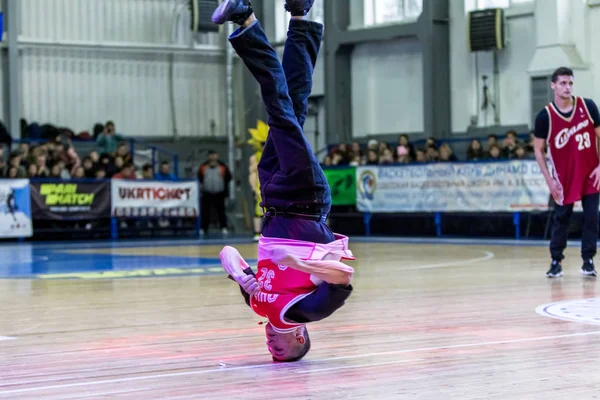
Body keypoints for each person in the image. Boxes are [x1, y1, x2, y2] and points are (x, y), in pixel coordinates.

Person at [212, 0, 356, 362]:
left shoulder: (260, 306)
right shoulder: (306, 312)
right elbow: (342, 276)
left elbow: (228, 254)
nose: (273, 349)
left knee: (292, 105)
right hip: (306, 200)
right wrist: (303, 266)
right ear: (300, 337)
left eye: (272, 353)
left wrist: (243, 278)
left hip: (274, 197)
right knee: (279, 108)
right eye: (285, 352)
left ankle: (301, 16)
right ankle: (245, 18)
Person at [533, 66, 600, 278]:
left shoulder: (588, 106)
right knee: (562, 218)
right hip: (564, 177)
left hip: (590, 172)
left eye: (570, 83)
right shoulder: (545, 116)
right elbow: (538, 150)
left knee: (592, 217)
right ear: (553, 85)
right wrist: (549, 181)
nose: (567, 87)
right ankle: (556, 261)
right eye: (562, 83)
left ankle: (588, 260)